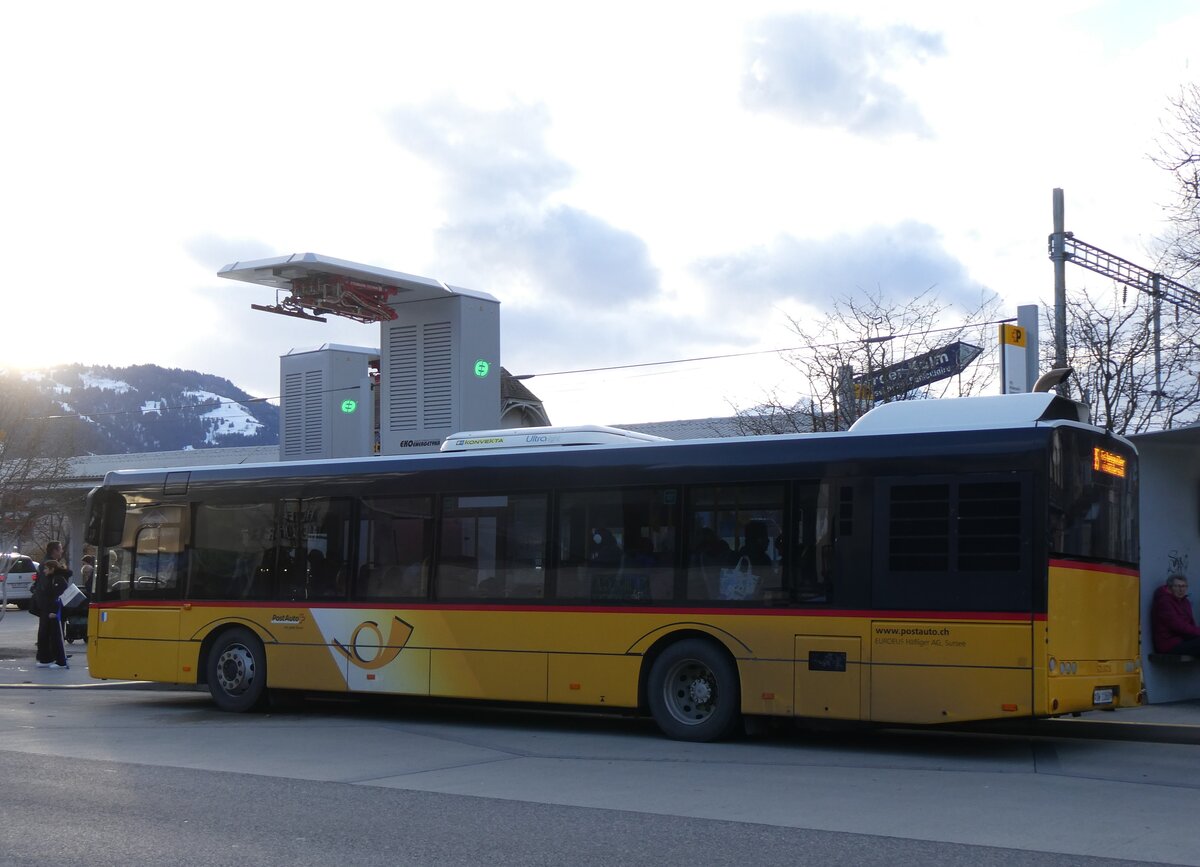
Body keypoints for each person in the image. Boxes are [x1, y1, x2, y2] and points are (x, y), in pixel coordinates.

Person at [34, 558, 70, 669]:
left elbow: (58, 597)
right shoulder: (53, 578)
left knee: (56, 636)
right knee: (49, 636)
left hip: (54, 613)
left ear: (52, 569)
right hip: (49, 611)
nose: (44, 571)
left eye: (46, 569)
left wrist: (54, 611)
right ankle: (50, 659)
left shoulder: (58, 579)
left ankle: (61, 661)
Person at [1151, 575, 1200, 656]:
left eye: (1184, 586)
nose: (1181, 589)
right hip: (1169, 644)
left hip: (1183, 640)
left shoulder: (1185, 601)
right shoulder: (1164, 602)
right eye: (1177, 586)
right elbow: (1178, 626)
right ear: (1170, 588)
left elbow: (1190, 624)